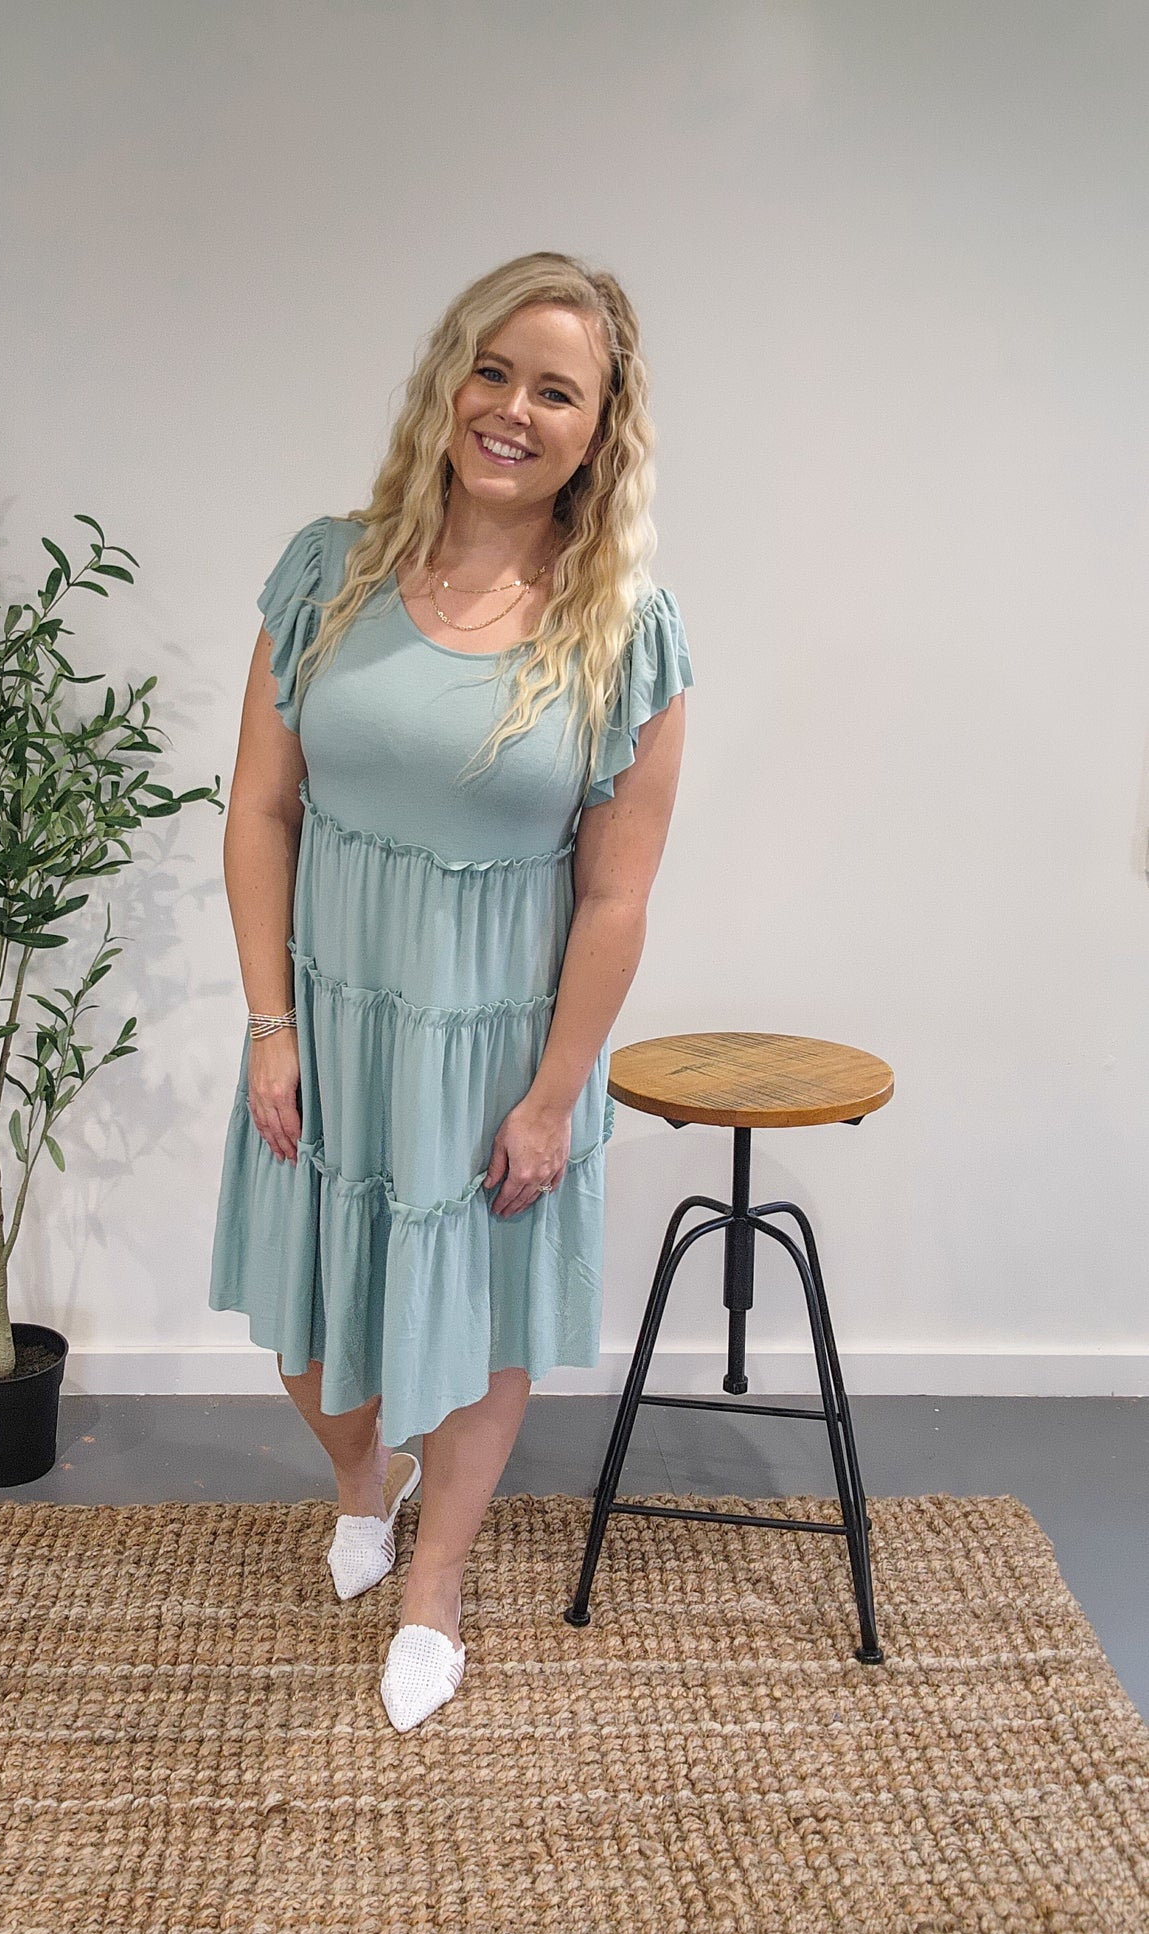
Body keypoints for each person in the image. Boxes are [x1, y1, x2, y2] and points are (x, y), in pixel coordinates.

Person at [208, 250, 693, 1730]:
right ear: (447, 380)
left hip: (496, 1042)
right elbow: (256, 809)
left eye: (557, 390)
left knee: (477, 1329)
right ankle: (365, 1475)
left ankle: (435, 1582)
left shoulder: (624, 630)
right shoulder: (324, 570)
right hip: (333, 1016)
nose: (512, 409)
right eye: (492, 370)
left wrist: (556, 1095)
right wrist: (268, 1023)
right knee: (308, 1320)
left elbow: (614, 889)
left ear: (598, 432)